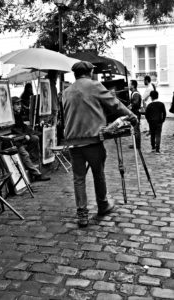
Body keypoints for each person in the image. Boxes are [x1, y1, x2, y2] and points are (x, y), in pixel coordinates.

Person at [63, 61, 138, 227]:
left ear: (75, 74)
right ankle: (102, 204)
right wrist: (132, 116)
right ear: (89, 72)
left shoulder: (66, 91)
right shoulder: (94, 86)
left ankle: (82, 214)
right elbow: (115, 104)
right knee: (98, 174)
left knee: (78, 179)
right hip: (93, 140)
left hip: (73, 142)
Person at [11, 96, 50, 182]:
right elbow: (13, 130)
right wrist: (25, 135)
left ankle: (29, 163)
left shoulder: (18, 114)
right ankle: (36, 174)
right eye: (17, 104)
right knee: (25, 153)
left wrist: (29, 132)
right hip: (15, 140)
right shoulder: (10, 117)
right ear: (12, 106)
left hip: (20, 137)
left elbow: (23, 126)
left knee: (35, 138)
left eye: (19, 104)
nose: (19, 106)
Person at [128, 79, 142, 149]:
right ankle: (136, 144)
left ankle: (137, 145)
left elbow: (135, 103)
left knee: (136, 130)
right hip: (135, 113)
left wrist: (130, 106)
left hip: (136, 114)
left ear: (133, 85)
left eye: (129, 84)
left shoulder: (136, 93)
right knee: (135, 130)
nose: (128, 86)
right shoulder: (133, 93)